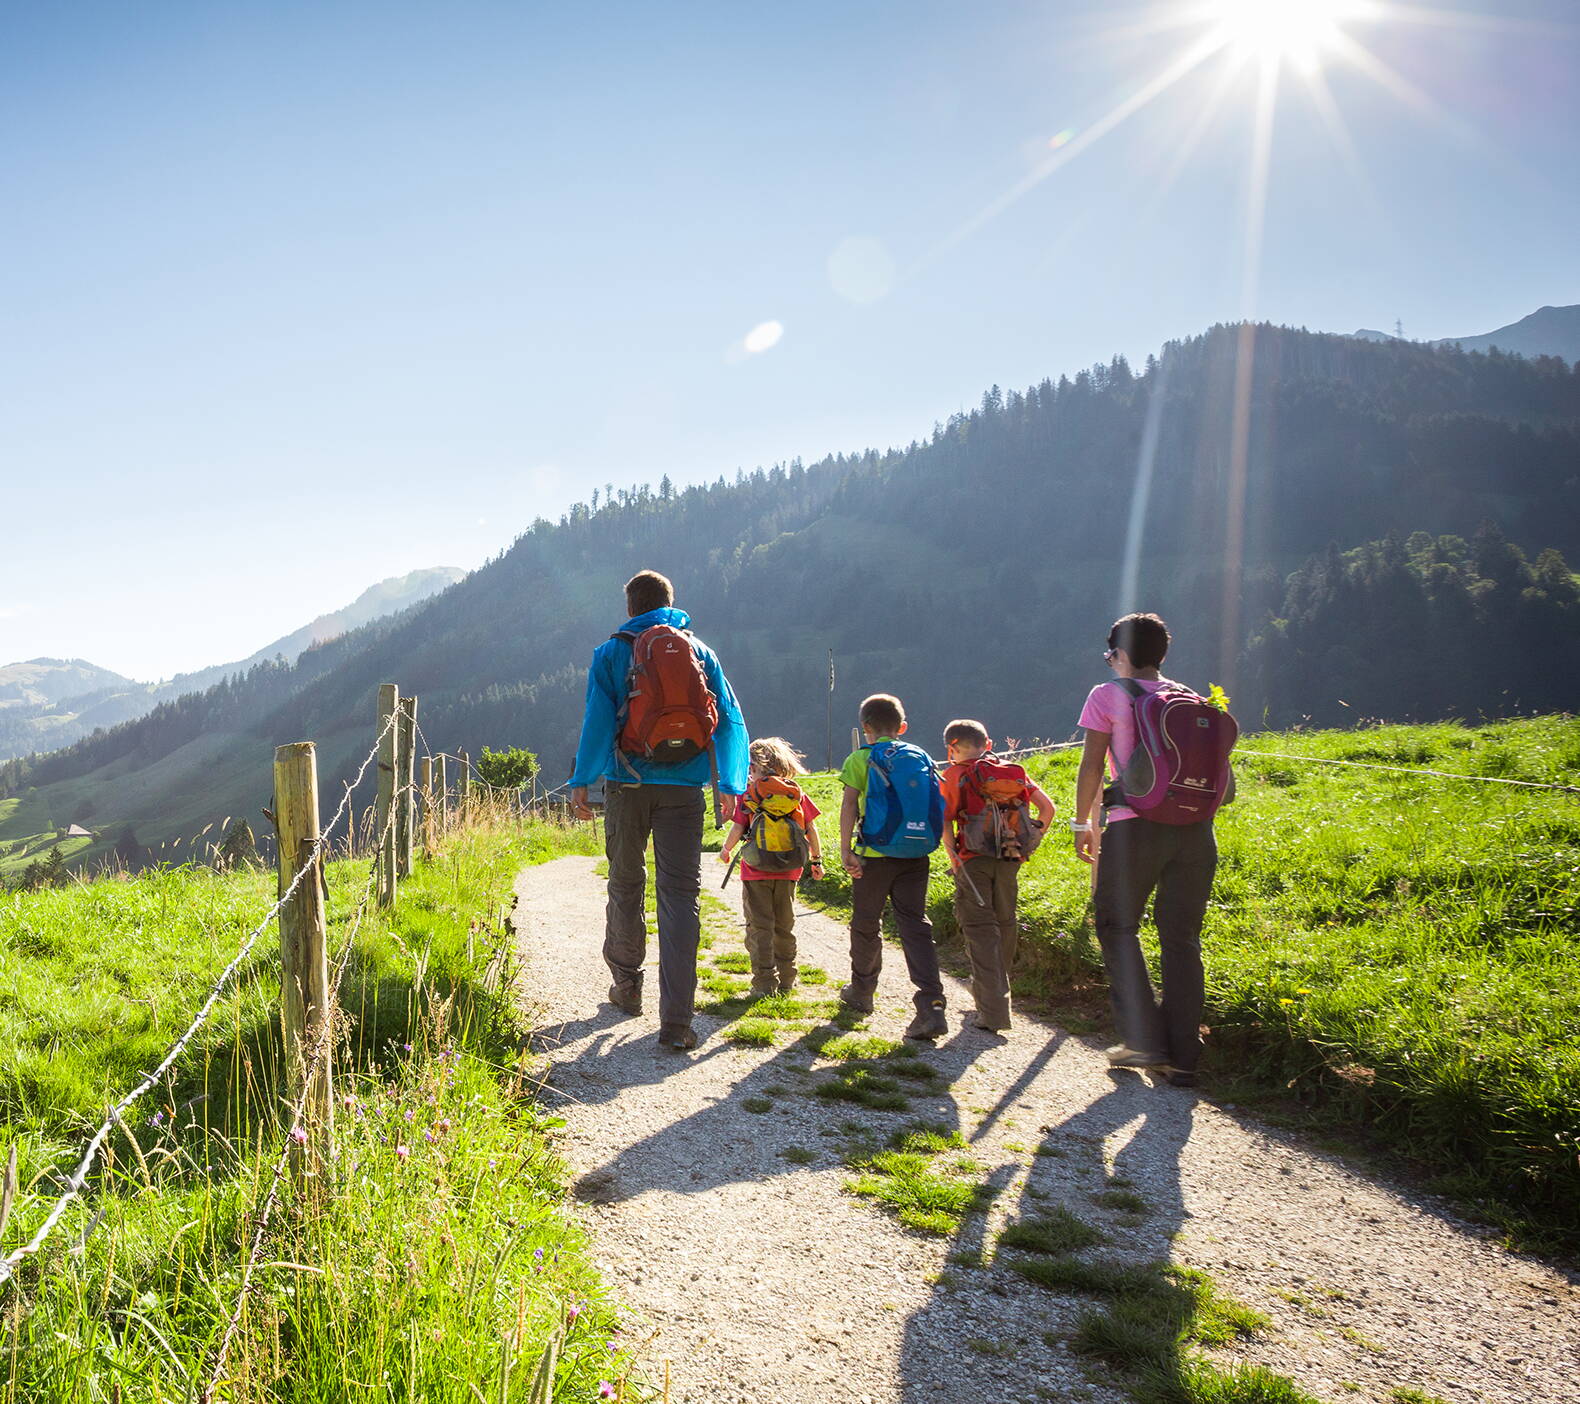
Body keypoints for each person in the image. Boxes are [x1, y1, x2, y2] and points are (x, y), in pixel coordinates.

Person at [569, 570, 749, 1050]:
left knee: (626, 883)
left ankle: (627, 988)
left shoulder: (610, 653)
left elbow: (598, 719)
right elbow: (729, 716)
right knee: (680, 896)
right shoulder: (699, 650)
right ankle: (677, 1022)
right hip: (686, 790)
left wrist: (583, 780)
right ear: (671, 602)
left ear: (629, 607)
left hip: (628, 785)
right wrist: (729, 783)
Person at [1072, 612, 1218, 1087]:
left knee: (1115, 924)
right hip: (1197, 831)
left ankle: (1143, 1038)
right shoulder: (1190, 698)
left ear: (1122, 655)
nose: (1110, 662)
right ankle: (1183, 1057)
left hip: (1137, 827)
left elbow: (1092, 766)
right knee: (1181, 940)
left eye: (1111, 653)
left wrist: (1083, 824)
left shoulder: (1107, 695)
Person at [837, 693, 948, 1039]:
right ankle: (931, 1006)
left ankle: (862, 992)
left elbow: (849, 807)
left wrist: (845, 850)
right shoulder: (921, 756)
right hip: (916, 855)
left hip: (875, 854)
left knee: (867, 922)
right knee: (916, 925)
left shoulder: (860, 758)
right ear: (902, 727)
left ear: (865, 727)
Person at [938, 720, 1056, 1032]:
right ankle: (995, 994)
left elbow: (945, 821)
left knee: (979, 928)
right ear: (987, 744)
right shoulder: (1013, 772)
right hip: (1010, 856)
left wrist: (953, 858)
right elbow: (1048, 808)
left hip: (973, 859)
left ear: (952, 748)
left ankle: (993, 1012)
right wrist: (1033, 837)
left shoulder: (955, 774)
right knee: (1005, 922)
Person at [718, 737, 824, 996]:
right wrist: (816, 860)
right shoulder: (795, 793)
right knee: (784, 925)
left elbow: (738, 826)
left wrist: (726, 849)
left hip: (755, 871)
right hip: (789, 871)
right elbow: (811, 829)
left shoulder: (750, 795)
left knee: (759, 927)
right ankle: (788, 978)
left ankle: (764, 983)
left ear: (754, 767)